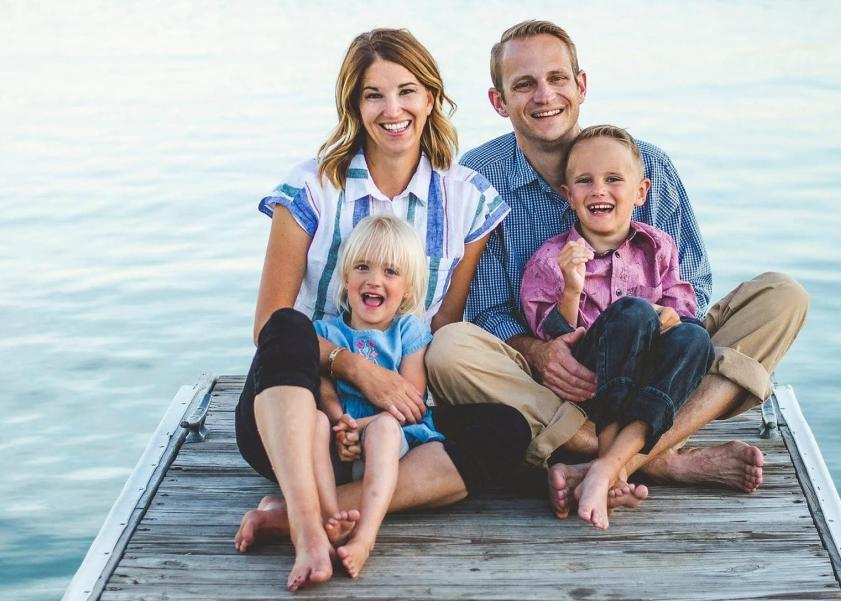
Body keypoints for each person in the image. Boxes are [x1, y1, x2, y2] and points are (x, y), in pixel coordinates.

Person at [426, 20, 809, 521]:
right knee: (449, 349)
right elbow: (484, 309)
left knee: (782, 297)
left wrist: (667, 321)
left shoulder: (648, 165)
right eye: (524, 84)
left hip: (658, 361)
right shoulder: (477, 179)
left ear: (580, 86)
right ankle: (658, 459)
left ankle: (608, 462)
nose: (545, 96)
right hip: (558, 380)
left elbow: (691, 282)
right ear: (499, 100)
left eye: (558, 78)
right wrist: (540, 353)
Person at [231, 28, 510, 590]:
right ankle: (310, 531)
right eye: (373, 95)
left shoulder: (469, 196)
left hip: (394, 431)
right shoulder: (311, 188)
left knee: (504, 433)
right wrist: (356, 371)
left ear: (431, 98)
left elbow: (443, 324)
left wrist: (400, 398)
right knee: (286, 327)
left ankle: (295, 513)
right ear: (354, 107)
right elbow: (267, 324)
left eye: (407, 91)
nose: (392, 110)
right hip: (305, 415)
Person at [520, 125, 714, 529]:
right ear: (568, 195)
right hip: (589, 387)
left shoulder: (659, 247)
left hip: (648, 384)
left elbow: (683, 305)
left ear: (641, 192)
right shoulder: (552, 258)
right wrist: (571, 289)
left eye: (613, 179)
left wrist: (669, 317)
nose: (599, 190)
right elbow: (551, 339)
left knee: (695, 336)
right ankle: (616, 464)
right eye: (585, 181)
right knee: (632, 312)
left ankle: (604, 469)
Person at [312, 214, 443, 576]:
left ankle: (365, 535)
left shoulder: (409, 331)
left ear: (409, 288)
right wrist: (340, 423)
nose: (374, 280)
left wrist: (362, 426)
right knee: (314, 421)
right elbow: (325, 391)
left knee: (385, 427)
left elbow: (412, 401)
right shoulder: (325, 332)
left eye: (390, 271)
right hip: (341, 441)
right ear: (345, 277)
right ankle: (326, 514)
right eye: (363, 267)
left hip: (388, 439)